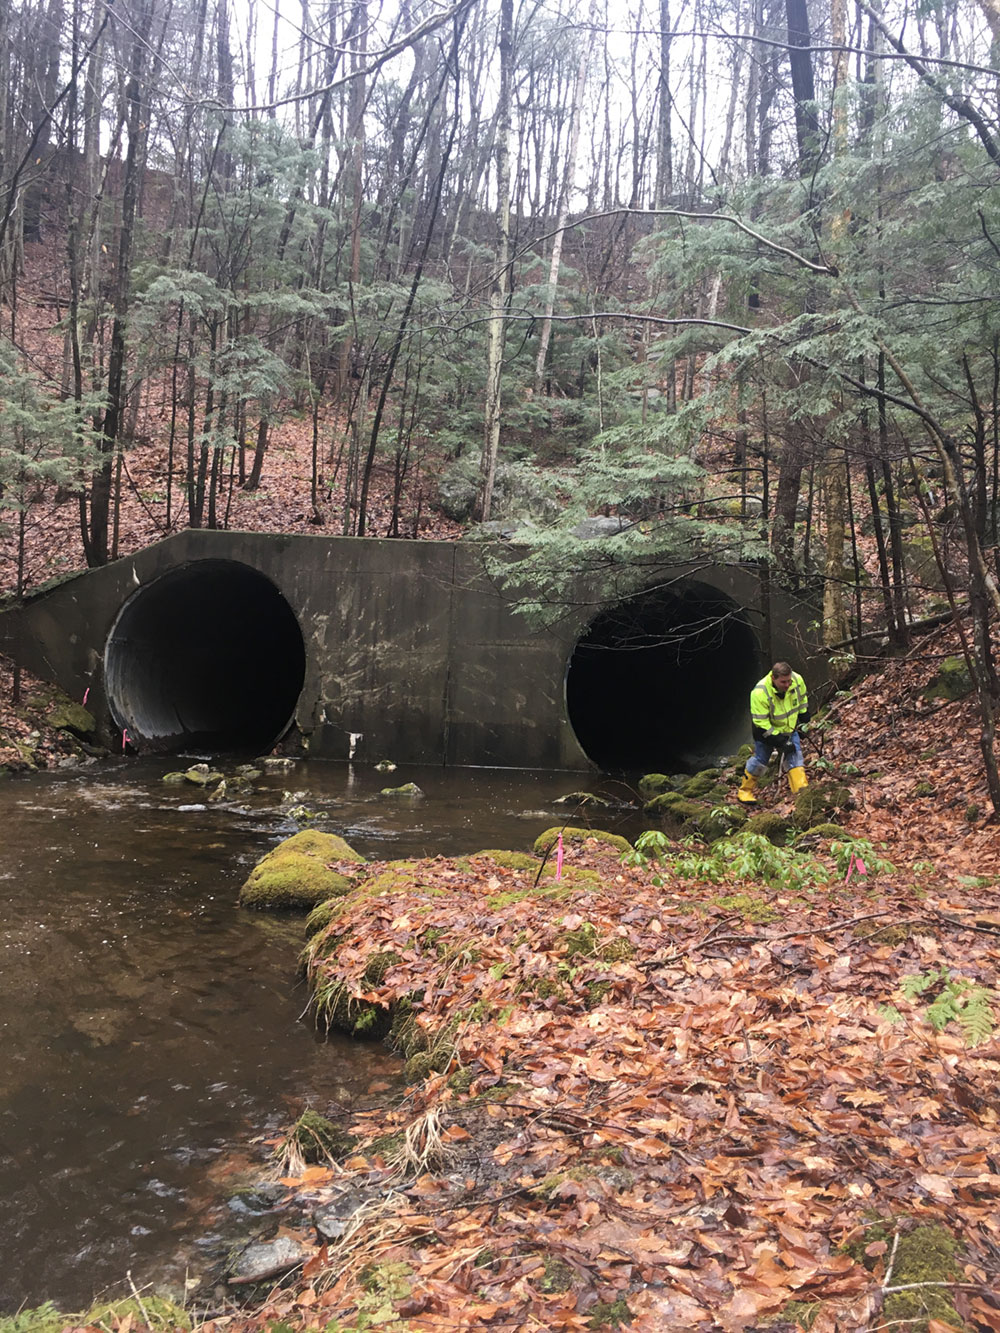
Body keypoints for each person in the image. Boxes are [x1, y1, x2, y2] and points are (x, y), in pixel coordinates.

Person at [736, 661, 810, 803]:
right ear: (773, 678)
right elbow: (761, 723)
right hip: (766, 733)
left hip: (789, 729)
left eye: (789, 681)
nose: (787, 685)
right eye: (783, 682)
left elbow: (802, 698)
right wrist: (780, 740)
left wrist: (804, 715)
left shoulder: (796, 680)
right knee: (761, 760)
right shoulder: (760, 692)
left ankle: (801, 793)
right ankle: (744, 791)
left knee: (795, 758)